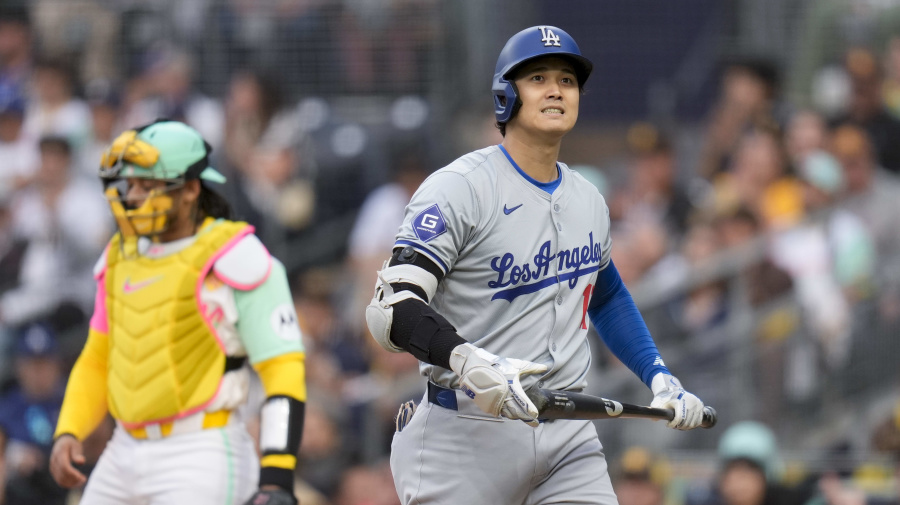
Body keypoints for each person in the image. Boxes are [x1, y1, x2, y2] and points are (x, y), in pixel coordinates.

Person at [365, 25, 707, 504]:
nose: (555, 90)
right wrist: (469, 361)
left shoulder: (589, 198)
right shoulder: (460, 187)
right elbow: (391, 309)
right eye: (538, 78)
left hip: (566, 435)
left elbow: (605, 295)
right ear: (506, 96)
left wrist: (658, 375)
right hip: (464, 432)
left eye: (567, 80)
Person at [48, 120, 306, 505]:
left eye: (148, 186)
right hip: (122, 447)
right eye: (130, 184)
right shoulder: (120, 254)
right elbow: (98, 358)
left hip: (201, 448)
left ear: (189, 190)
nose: (132, 196)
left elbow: (282, 367)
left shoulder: (236, 254)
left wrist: (278, 474)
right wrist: (69, 429)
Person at [0, 322, 67, 505]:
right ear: (19, 366)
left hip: (67, 488)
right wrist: (13, 456)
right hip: (22, 492)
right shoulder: (6, 408)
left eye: (44, 363)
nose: (38, 372)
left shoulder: (73, 400)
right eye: (31, 364)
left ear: (57, 364)